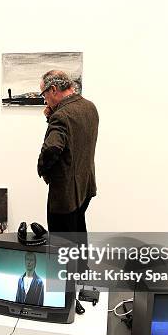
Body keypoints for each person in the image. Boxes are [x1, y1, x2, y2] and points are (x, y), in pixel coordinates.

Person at [37, 70, 99, 234]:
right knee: (78, 231)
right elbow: (72, 137)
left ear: (53, 90)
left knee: (62, 243)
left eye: (44, 94)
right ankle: (81, 261)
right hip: (84, 186)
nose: (45, 99)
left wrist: (42, 169)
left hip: (65, 193)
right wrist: (52, 115)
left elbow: (52, 148)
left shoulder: (62, 115)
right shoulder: (89, 107)